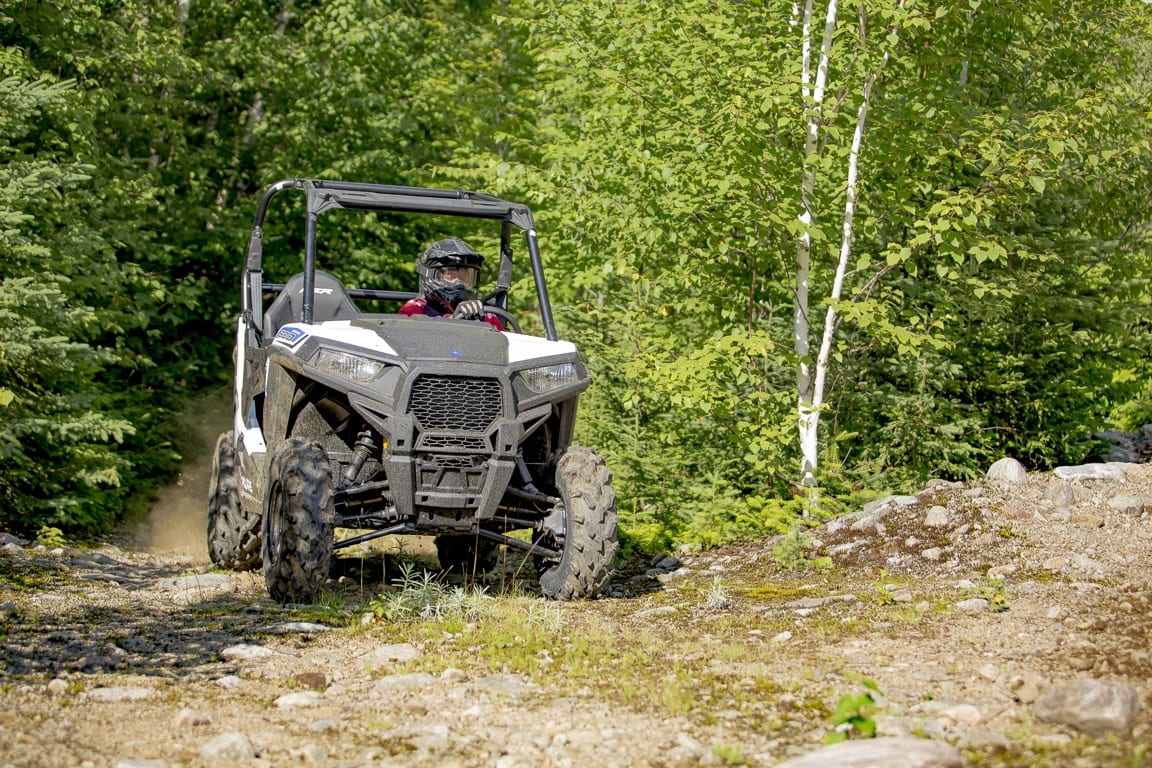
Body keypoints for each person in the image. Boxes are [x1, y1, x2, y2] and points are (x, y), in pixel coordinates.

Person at [399, 237, 504, 331]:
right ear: (430, 275)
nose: (458, 283)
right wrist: (452, 320)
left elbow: (505, 344)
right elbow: (410, 339)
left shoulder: (485, 315)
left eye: (464, 276)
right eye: (451, 275)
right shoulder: (415, 309)